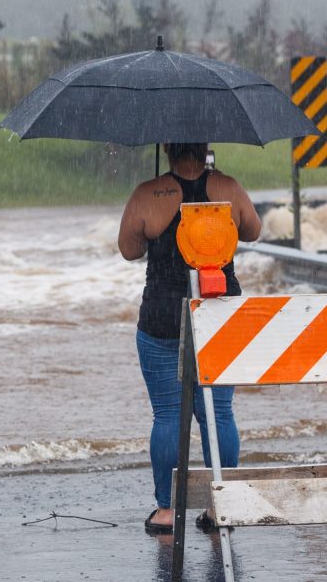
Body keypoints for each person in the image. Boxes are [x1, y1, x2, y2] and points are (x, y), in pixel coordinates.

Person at [117, 142, 261, 535]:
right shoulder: (228, 188)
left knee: (167, 415)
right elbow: (253, 231)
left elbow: (129, 249)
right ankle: (221, 505)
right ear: (206, 146)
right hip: (218, 316)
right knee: (219, 414)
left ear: (167, 147)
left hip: (164, 316)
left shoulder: (148, 193)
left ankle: (166, 511)